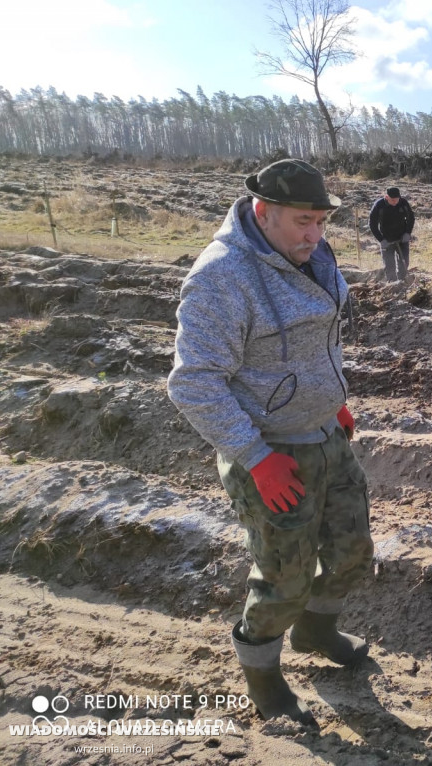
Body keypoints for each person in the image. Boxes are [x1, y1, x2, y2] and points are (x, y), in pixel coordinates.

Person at [167, 158, 374, 730]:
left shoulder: (314, 254)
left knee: (353, 549)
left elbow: (316, 338)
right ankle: (263, 675)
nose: (316, 235)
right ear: (265, 213)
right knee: (283, 579)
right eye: (304, 222)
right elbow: (193, 382)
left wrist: (330, 398)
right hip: (272, 452)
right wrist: (257, 459)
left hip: (326, 434)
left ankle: (317, 630)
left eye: (323, 222)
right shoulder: (222, 278)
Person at [368, 186, 415, 282]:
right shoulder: (379, 206)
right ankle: (392, 285)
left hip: (402, 238)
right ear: (386, 197)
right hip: (387, 239)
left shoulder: (403, 203)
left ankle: (402, 282)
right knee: (389, 266)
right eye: (392, 200)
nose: (395, 202)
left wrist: (407, 233)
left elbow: (411, 218)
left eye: (396, 200)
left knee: (404, 263)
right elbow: (372, 224)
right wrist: (381, 239)